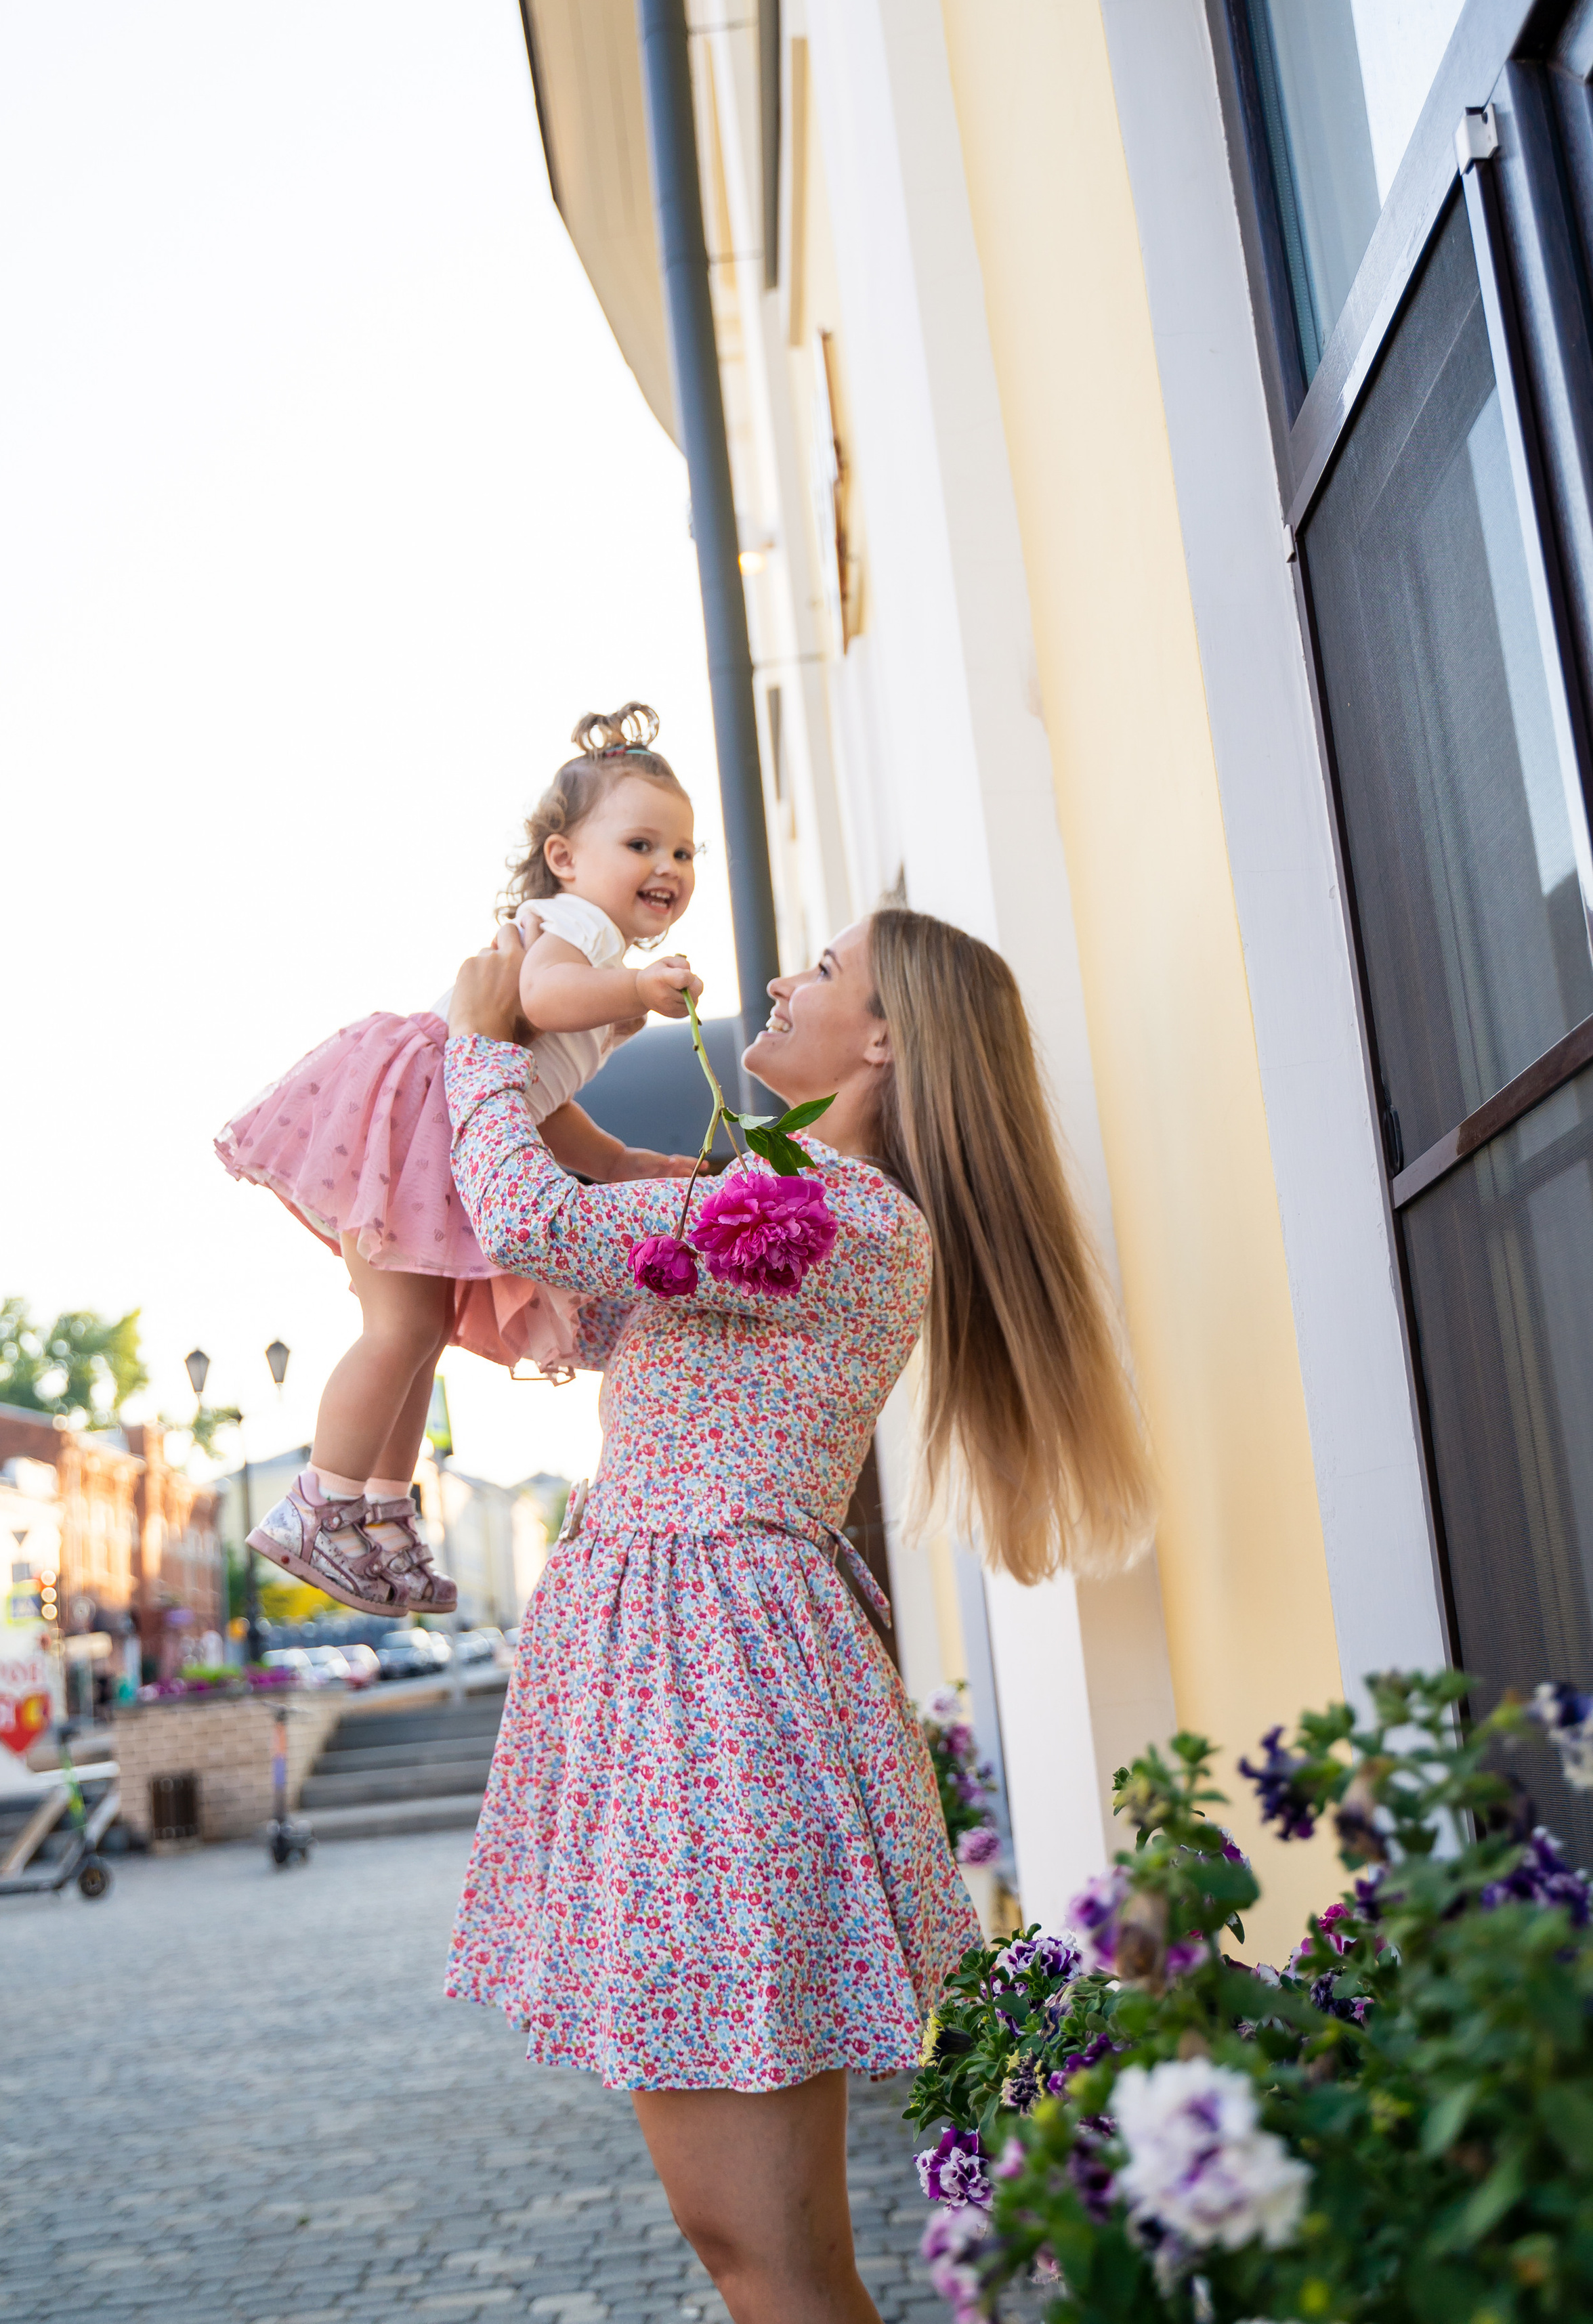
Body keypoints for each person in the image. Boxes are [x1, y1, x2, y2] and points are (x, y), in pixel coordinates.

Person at [440, 905, 1157, 2324]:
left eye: (821, 971)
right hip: (684, 1683)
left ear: (883, 1039)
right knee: (744, 2246)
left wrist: (471, 1047)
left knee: (764, 2255)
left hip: (714, 1696)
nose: (780, 976)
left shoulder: (825, 1212)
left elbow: (539, 1224)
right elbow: (597, 1199)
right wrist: (538, 1055)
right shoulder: (772, 1192)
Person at [213, 704, 702, 1617]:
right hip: (423, 1125)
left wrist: (622, 1159)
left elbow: (534, 1098)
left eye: (683, 853)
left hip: (438, 1123)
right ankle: (319, 1504)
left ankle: (380, 1515)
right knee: (400, 1330)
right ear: (566, 857)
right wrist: (634, 986)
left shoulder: (594, 951)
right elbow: (546, 998)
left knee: (420, 1333)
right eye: (641, 844)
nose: (666, 869)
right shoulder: (580, 935)